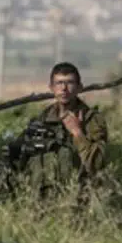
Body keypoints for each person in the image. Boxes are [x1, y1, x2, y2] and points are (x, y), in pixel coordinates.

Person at [13, 62, 108, 200]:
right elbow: (19, 159)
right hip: (40, 202)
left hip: (76, 200)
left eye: (70, 83)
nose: (64, 88)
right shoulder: (42, 119)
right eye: (59, 83)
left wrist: (77, 133)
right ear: (51, 87)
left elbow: (97, 164)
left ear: (79, 87)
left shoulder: (91, 120)